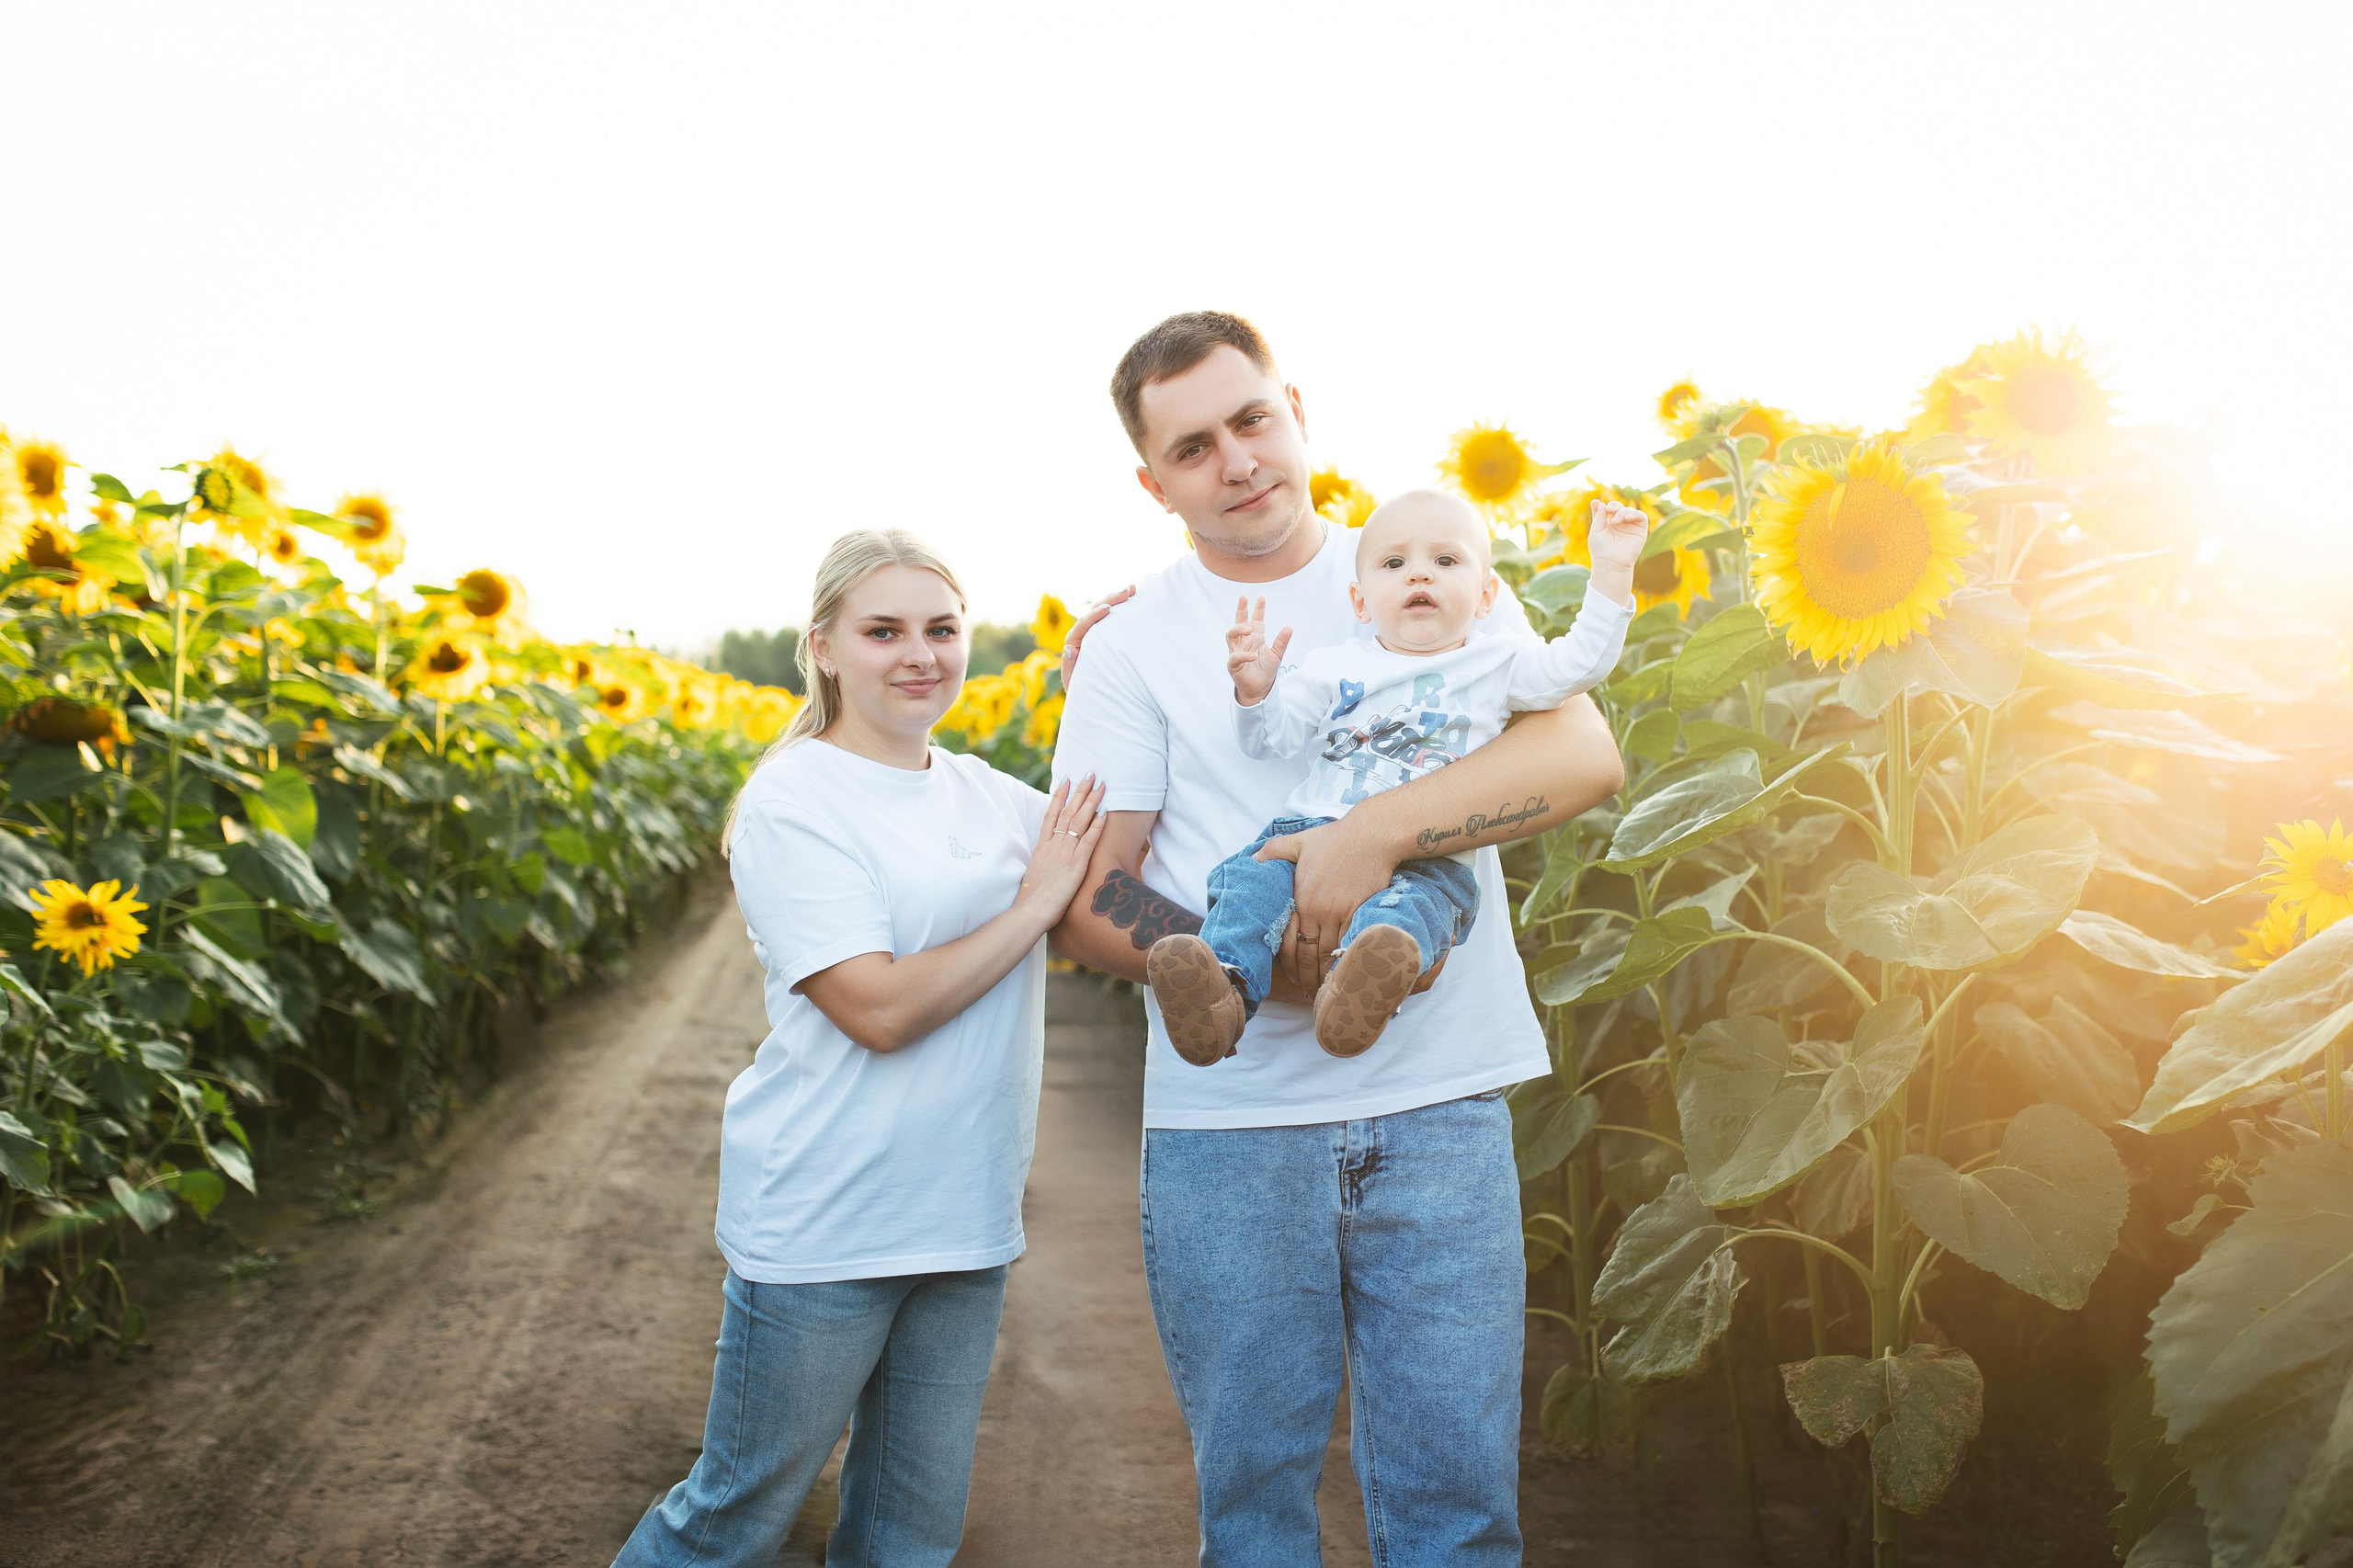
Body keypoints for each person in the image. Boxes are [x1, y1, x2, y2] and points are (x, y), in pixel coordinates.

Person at [1049, 312, 1628, 1565]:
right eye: (1195, 446)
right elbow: (1096, 890)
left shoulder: (1426, 562)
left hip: (1439, 1097)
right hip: (1233, 1130)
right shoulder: (1132, 645)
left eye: (1252, 419)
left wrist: (1374, 836)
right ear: (1154, 483)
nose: (1240, 460)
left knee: (1458, 1514)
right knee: (1255, 1519)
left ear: (1296, 409)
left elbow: (1584, 750)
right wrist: (1226, 955)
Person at [612, 528, 1107, 1568]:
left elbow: (1116, 891)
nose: (919, 652)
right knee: (730, 1518)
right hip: (828, 1220)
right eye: (883, 630)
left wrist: (1246, 957)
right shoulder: (795, 800)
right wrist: (1031, 911)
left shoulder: (985, 793)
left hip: (963, 1214)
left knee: (906, 1538)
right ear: (824, 647)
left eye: (941, 628)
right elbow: (875, 1007)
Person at [1150, 487, 1644, 1063]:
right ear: (1361, 603)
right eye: (1394, 563)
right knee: (1250, 884)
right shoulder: (1337, 666)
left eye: (1445, 560)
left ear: (1486, 596)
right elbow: (1272, 739)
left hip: (1433, 854)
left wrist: (1611, 570)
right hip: (1309, 831)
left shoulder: (1498, 661)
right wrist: (1256, 692)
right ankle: (1221, 992)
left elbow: (1578, 664)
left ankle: (1352, 995)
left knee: (1407, 919)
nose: (1419, 576)